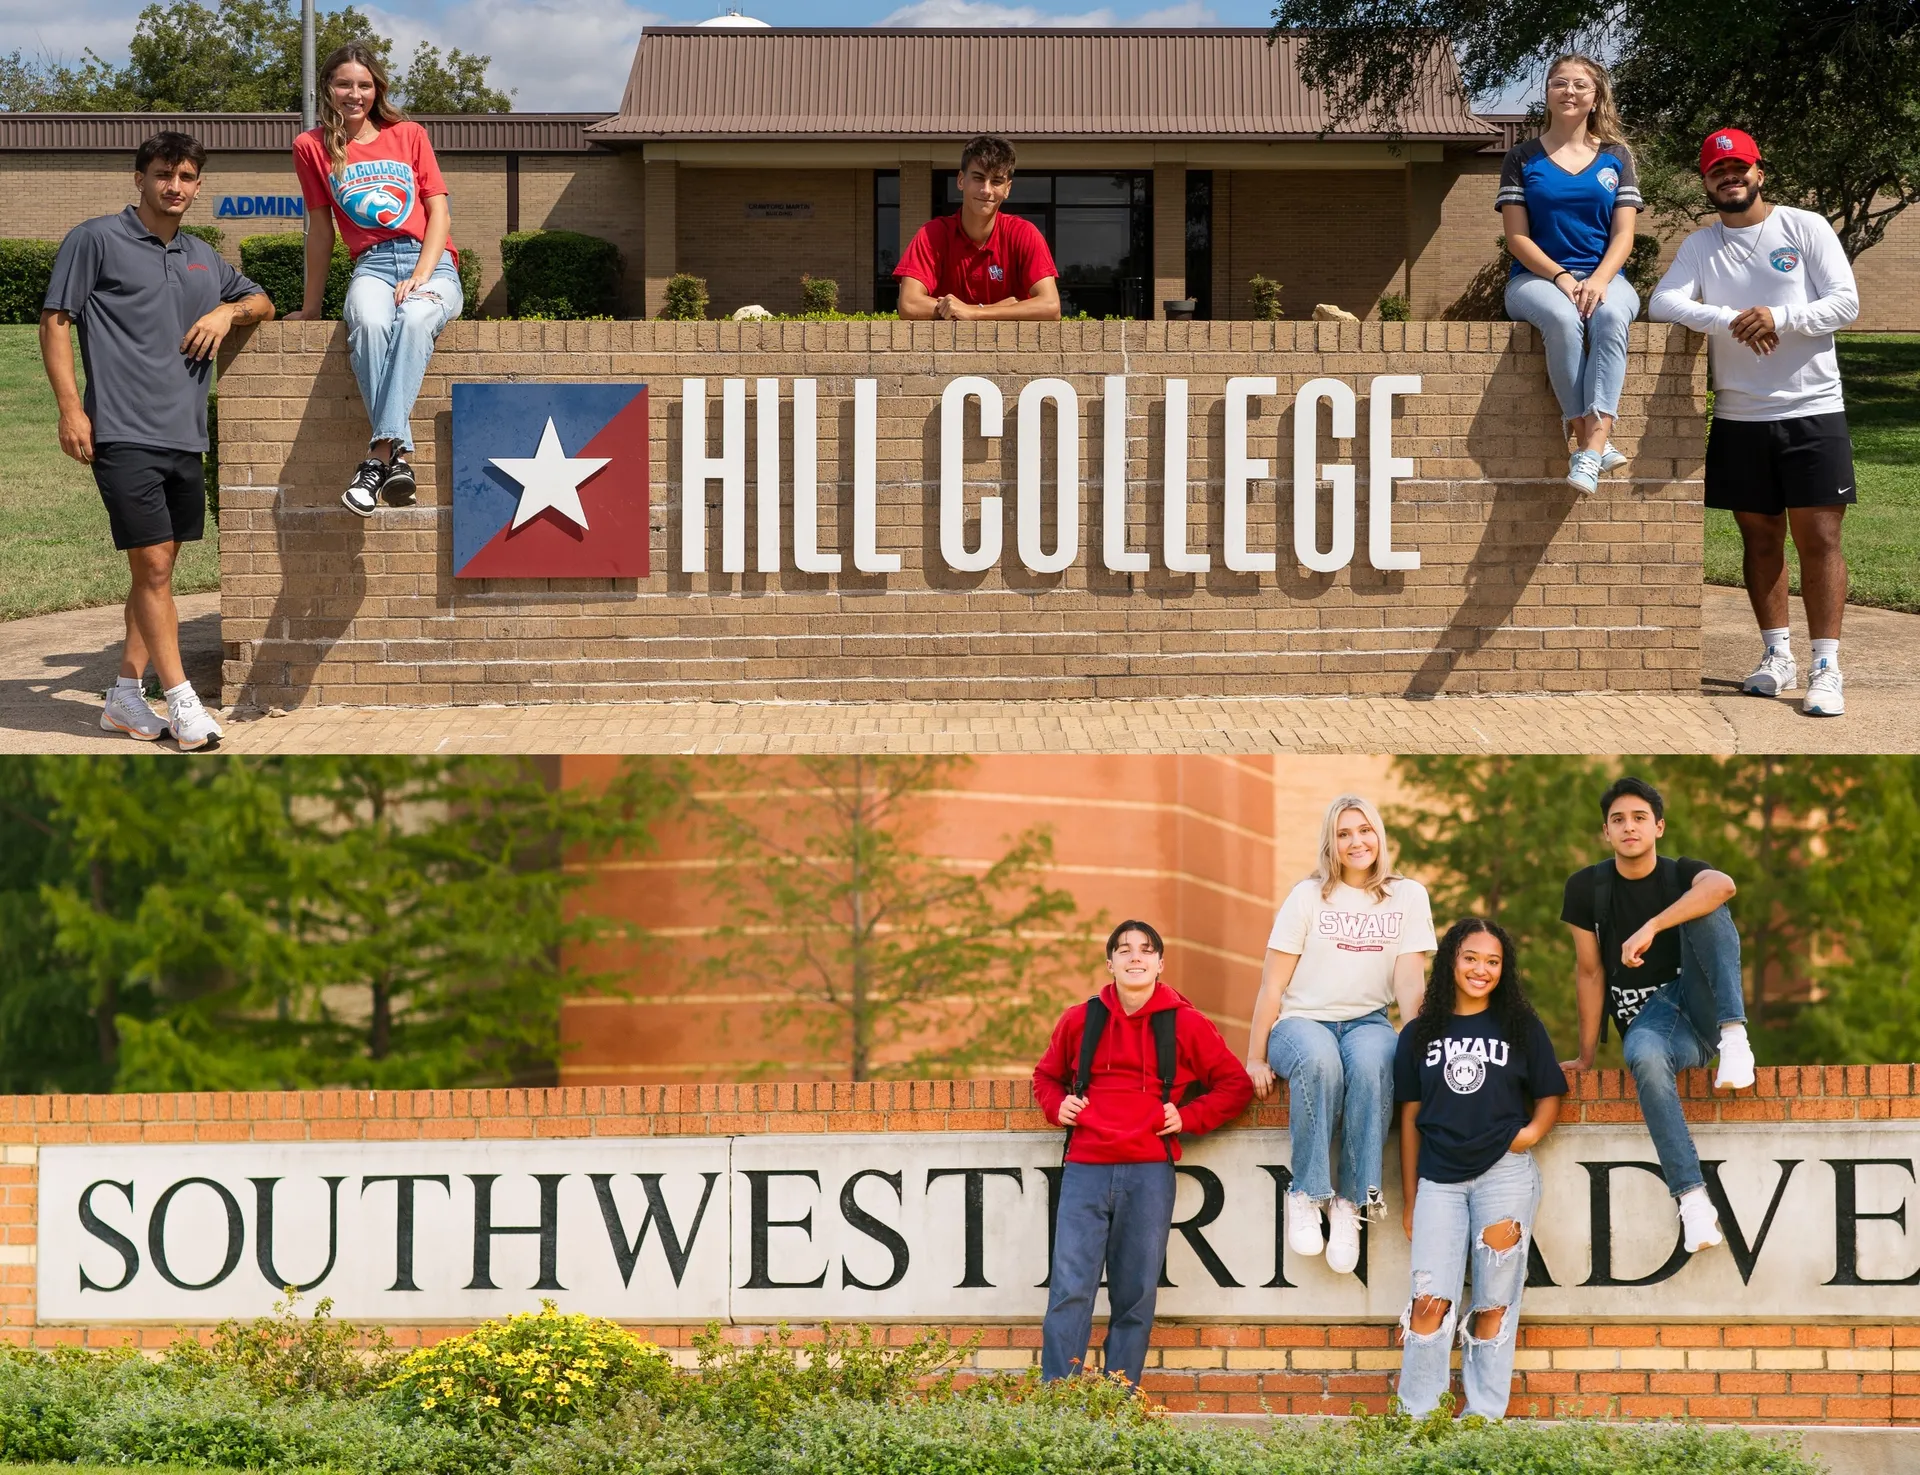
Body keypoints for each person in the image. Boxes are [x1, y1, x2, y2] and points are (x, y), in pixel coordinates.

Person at [40, 131, 274, 752]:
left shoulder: (202, 255)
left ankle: (122, 695)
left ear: (199, 185)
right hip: (120, 427)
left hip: (183, 433)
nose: (176, 186)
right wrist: (71, 409)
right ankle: (182, 703)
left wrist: (227, 312)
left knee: (161, 568)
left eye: (188, 176)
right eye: (164, 174)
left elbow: (263, 301)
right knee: (151, 565)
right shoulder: (95, 239)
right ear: (139, 177)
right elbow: (55, 321)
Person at [1650, 127, 1860, 718]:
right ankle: (1777, 656)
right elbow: (1663, 302)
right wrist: (1730, 319)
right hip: (1741, 414)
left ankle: (1826, 666)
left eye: (1739, 167)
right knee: (1760, 539)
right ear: (1706, 182)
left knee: (1819, 540)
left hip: (1813, 408)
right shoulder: (1700, 246)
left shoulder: (1805, 227)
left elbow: (1846, 302)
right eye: (1719, 171)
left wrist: (1780, 316)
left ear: (1759, 172)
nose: (1730, 177)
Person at [1032, 920, 1252, 1387]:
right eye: (1125, 950)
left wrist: (1188, 1118)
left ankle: (1117, 1397)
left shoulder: (1186, 1023)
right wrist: (1058, 1105)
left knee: (1135, 1294)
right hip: (1085, 1168)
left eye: (1146, 950)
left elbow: (1235, 1085)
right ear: (1109, 962)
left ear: (1160, 964)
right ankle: (1057, 1400)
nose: (1136, 957)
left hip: (1149, 1171)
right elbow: (1045, 1077)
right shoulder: (1079, 1019)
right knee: (1070, 1289)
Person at [1560, 775, 1754, 1254]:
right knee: (1642, 1055)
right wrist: (1586, 1056)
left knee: (1707, 904)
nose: (1629, 827)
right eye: (1618, 820)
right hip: (1650, 1024)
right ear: (1606, 832)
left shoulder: (1679, 873)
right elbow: (1588, 973)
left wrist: (1654, 925)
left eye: (1640, 818)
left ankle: (1735, 1039)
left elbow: (1723, 885)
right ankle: (1693, 1202)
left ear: (1659, 827)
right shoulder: (1587, 888)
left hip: (1698, 1006)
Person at [1246, 795, 1437, 1275]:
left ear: (1380, 836)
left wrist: (1417, 1051)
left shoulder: (1408, 896)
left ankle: (1352, 1204)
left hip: (1368, 1021)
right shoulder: (1307, 896)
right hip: (1301, 1023)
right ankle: (1306, 1194)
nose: (1357, 841)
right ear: (1330, 843)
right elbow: (1273, 984)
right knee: (1320, 1062)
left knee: (1378, 1062)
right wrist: (1254, 1056)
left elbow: (1411, 986)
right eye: (1344, 833)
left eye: (1365, 830)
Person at [1395, 918, 1564, 1421]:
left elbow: (1550, 1093)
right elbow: (1408, 1119)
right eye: (1471, 957)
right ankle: (1417, 1418)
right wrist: (1411, 1197)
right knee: (1429, 1302)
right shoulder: (1420, 1033)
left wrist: (1529, 1135)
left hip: (1504, 1177)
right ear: (1451, 959)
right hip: (1439, 1182)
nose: (1481, 969)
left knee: (1494, 1302)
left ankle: (1483, 1418)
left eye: (1493, 961)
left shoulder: (1519, 1026)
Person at [290, 42, 464, 518]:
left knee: (413, 320)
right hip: (371, 264)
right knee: (366, 321)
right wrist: (310, 305)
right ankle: (398, 458)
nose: (354, 93)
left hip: (432, 263)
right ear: (327, 87)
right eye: (344, 83)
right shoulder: (311, 148)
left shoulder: (408, 134)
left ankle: (377, 459)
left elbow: (438, 211)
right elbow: (321, 230)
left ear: (377, 88)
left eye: (364, 85)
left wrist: (423, 274)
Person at [1496, 53, 1644, 495]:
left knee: (1611, 317)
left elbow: (1623, 236)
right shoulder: (1522, 157)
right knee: (1562, 319)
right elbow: (1517, 238)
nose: (1570, 91)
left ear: (1596, 97)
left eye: (1580, 85)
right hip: (1534, 279)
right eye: (1559, 83)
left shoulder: (1617, 158)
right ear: (1547, 93)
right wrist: (1561, 277)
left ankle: (1590, 449)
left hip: (1604, 275)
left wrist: (1598, 281)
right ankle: (1592, 444)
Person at [895, 136, 1062, 322]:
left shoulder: (1024, 234)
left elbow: (1051, 307)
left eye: (997, 181)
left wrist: (975, 312)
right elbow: (909, 304)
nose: (986, 190)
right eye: (978, 178)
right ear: (960, 180)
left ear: (1007, 189)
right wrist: (994, 309)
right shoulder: (932, 234)